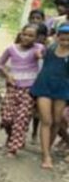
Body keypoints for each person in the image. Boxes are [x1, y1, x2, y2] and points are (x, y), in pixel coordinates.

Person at [0, 24, 45, 156]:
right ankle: (12, 137)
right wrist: (7, 75)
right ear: (20, 34)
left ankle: (13, 148)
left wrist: (40, 56)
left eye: (31, 36)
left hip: (29, 89)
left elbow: (44, 63)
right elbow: (0, 64)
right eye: (25, 34)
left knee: (21, 118)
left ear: (36, 38)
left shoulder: (39, 48)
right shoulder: (11, 49)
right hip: (13, 87)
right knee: (7, 118)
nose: (27, 38)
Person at [30, 24, 69, 169]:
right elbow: (39, 51)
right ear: (58, 37)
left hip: (62, 89)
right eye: (62, 37)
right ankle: (46, 155)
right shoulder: (50, 48)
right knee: (46, 120)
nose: (65, 41)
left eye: (68, 38)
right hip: (44, 86)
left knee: (56, 121)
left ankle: (48, 149)